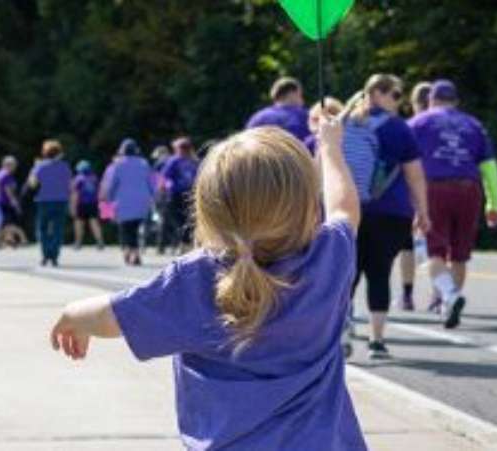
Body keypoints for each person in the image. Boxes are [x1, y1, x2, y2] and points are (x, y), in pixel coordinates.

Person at [50, 119, 367, 450]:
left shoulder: (196, 279)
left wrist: (74, 316)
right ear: (305, 204)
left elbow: (111, 317)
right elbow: (344, 206)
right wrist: (330, 147)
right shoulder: (329, 257)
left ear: (208, 209)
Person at [342, 74, 430, 359]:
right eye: (395, 94)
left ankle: (341, 333)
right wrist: (423, 212)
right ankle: (376, 340)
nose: (398, 101)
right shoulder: (398, 129)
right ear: (377, 93)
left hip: (347, 210)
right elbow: (414, 175)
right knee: (380, 273)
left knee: (346, 275)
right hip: (391, 213)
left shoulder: (343, 124)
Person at [409, 80, 497, 329]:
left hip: (434, 189)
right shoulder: (473, 125)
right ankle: (450, 303)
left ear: (430, 100)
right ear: (456, 101)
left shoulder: (419, 123)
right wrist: (495, 204)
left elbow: (406, 161)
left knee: (435, 250)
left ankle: (450, 296)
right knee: (460, 254)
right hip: (469, 189)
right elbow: (490, 167)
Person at [397, 82, 433, 312]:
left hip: (414, 190)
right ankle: (440, 295)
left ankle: (408, 294)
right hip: (447, 186)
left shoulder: (409, 127)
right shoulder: (451, 125)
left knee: (408, 246)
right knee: (441, 247)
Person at [101, 139, 154, 266]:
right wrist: (153, 197)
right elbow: (151, 183)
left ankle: (129, 253)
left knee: (125, 228)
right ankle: (133, 253)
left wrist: (107, 200)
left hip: (123, 202)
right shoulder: (144, 163)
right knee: (134, 228)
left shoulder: (117, 165)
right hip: (142, 201)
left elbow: (111, 184)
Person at [28, 139, 73, 267]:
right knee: (58, 229)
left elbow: (32, 184)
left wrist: (34, 168)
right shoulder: (65, 166)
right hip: (61, 200)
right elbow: (70, 185)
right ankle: (54, 255)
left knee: (42, 228)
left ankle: (45, 254)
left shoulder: (40, 166)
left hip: (44, 200)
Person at [156, 137, 199, 255]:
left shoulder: (174, 160)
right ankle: (186, 245)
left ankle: (182, 244)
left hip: (176, 194)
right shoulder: (194, 161)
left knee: (176, 220)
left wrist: (161, 190)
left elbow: (163, 176)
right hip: (191, 195)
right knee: (189, 220)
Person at [246, 77, 311, 141]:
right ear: (292, 94)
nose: (302, 101)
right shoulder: (304, 116)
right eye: (300, 95)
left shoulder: (257, 118)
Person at [70, 160, 104, 250]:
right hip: (93, 203)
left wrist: (73, 207)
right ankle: (100, 241)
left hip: (81, 204)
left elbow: (75, 194)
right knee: (94, 223)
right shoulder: (94, 178)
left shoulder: (78, 179)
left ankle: (78, 243)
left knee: (79, 223)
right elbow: (100, 192)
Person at [0, 156, 27, 249]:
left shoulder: (0, 173)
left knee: (4, 223)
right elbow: (8, 192)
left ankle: (6, 240)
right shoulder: (6, 176)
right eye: (14, 165)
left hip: (0, 202)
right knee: (8, 224)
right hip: (6, 203)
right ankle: (22, 237)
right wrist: (16, 204)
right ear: (7, 165)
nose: (15, 167)